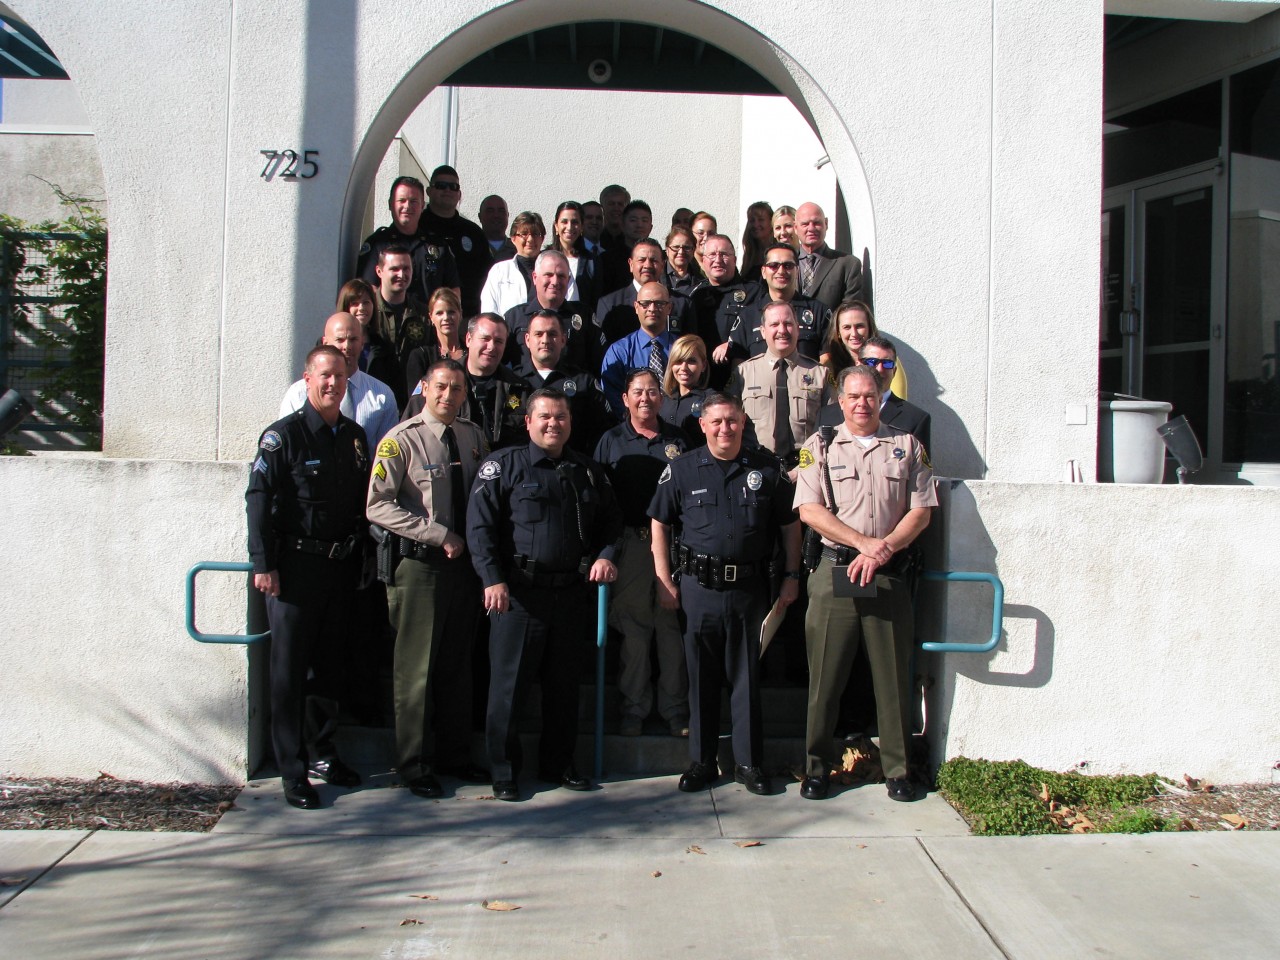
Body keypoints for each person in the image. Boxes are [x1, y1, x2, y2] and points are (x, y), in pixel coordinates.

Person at [467, 388, 623, 801]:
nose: (554, 424)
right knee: (508, 689)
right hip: (517, 596)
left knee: (564, 688)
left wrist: (606, 557)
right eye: (546, 417)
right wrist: (491, 579)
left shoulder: (587, 470)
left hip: (570, 596)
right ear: (529, 422)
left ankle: (559, 763)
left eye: (561, 417)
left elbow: (611, 524)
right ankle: (504, 771)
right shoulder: (504, 467)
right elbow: (479, 528)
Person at [794, 364, 936, 803]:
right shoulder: (816, 446)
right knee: (825, 681)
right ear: (840, 402)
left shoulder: (908, 446)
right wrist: (862, 544)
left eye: (870, 396)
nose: (862, 403)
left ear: (881, 397)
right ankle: (817, 767)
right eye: (853, 396)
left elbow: (922, 510)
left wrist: (883, 550)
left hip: (888, 574)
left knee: (893, 680)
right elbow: (809, 511)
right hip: (835, 570)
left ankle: (898, 769)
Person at [649, 392, 801, 796]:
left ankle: (749, 763)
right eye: (715, 422)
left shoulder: (766, 469)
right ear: (702, 425)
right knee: (700, 678)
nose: (724, 429)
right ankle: (701, 762)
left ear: (743, 421)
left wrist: (791, 574)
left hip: (750, 589)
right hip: (698, 588)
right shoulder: (681, 470)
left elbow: (790, 526)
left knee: (747, 678)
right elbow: (659, 524)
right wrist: (664, 580)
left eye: (731, 421)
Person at [246, 345, 370, 810]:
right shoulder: (284, 437)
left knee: (329, 669)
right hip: (293, 572)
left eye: (339, 376)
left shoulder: (354, 437)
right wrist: (263, 564)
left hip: (338, 569)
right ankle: (292, 770)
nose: (333, 384)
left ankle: (324, 755)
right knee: (289, 673)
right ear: (307, 378)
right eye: (324, 376)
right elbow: (258, 499)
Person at [366, 359, 490, 798]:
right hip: (420, 566)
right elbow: (377, 505)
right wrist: (438, 535)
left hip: (464, 569)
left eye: (457, 388)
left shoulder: (474, 436)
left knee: (458, 665)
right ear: (425, 388)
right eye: (441, 387)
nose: (448, 396)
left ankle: (455, 755)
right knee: (416, 668)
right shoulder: (402, 440)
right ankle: (413, 763)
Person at [594, 369, 689, 738]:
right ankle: (634, 709)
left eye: (652, 392)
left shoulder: (678, 440)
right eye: (638, 392)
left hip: (674, 544)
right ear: (625, 398)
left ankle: (675, 711)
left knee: (671, 630)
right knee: (634, 632)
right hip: (631, 544)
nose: (645, 398)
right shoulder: (611, 440)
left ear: (662, 398)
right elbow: (601, 497)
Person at [727, 301, 832, 470]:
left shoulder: (820, 375)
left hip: (807, 469)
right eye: (774, 324)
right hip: (756, 468)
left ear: (798, 328)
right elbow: (729, 424)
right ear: (763, 331)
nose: (782, 330)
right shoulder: (743, 374)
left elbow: (830, 428)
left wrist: (804, 469)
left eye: (788, 323)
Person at [404, 314, 533, 451]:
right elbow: (409, 431)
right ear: (468, 339)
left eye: (499, 341)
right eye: (485, 339)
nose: (491, 347)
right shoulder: (438, 382)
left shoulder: (520, 388)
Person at [280, 312, 398, 448]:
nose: (347, 346)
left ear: (362, 343)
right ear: (325, 343)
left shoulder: (382, 394)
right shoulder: (298, 392)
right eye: (340, 340)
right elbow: (287, 445)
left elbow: (387, 455)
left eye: (353, 339)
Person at [513, 310, 613, 454]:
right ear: (527, 340)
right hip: (523, 470)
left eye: (552, 334)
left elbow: (604, 431)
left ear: (563, 340)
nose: (545, 340)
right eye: (538, 334)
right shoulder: (511, 382)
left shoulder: (584, 382)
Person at [356, 175, 461, 306]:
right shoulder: (377, 244)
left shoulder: (438, 245)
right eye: (402, 200)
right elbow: (368, 289)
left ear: (422, 205)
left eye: (413, 201)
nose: (407, 206)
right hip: (390, 324)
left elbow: (453, 291)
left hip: (429, 323)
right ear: (390, 204)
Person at [818, 335, 928, 452]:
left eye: (887, 363)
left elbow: (920, 469)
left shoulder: (915, 419)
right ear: (858, 365)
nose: (880, 369)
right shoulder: (826, 416)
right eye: (872, 362)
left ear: (894, 371)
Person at [728, 242, 830, 363]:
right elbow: (738, 366)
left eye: (788, 265)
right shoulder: (748, 316)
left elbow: (827, 361)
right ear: (763, 272)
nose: (781, 271)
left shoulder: (819, 312)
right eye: (773, 265)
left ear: (797, 270)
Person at [592, 238, 695, 357]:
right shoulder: (609, 303)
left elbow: (691, 349)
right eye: (641, 260)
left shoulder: (682, 303)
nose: (647, 265)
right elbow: (604, 351)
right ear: (631, 264)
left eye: (653, 260)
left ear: (663, 265)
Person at [691, 234, 762, 389]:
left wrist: (733, 343)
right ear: (703, 261)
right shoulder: (695, 295)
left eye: (724, 254)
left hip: (741, 378)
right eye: (712, 254)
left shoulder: (755, 293)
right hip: (703, 381)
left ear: (735, 260)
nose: (718, 259)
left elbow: (761, 331)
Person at [369, 245, 435, 410]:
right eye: (394, 269)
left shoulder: (423, 314)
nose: (402, 274)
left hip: (412, 404)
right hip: (373, 400)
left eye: (406, 268)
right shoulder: (367, 311)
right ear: (379, 271)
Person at [600, 280, 679, 416]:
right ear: (636, 307)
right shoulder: (619, 351)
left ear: (669, 308)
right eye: (645, 303)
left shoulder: (681, 347)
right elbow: (612, 396)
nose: (652, 309)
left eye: (659, 303)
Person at [421, 165, 491, 316]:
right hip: (425, 314)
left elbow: (486, 277)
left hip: (466, 316)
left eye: (453, 187)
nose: (447, 190)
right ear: (429, 191)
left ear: (459, 194)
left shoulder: (473, 233)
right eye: (441, 186)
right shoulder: (418, 227)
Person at [502, 250, 591, 369]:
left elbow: (598, 362)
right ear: (535, 277)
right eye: (548, 275)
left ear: (568, 280)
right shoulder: (514, 317)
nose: (555, 282)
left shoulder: (584, 315)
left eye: (561, 276)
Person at [819, 299, 909, 399]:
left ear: (869, 328)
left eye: (859, 326)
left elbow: (898, 402)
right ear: (838, 332)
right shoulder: (829, 364)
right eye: (847, 327)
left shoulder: (887, 360)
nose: (854, 333)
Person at [794, 202, 864, 312]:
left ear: (826, 224)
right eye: (805, 224)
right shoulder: (784, 263)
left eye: (816, 223)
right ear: (795, 227)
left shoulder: (848, 264)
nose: (811, 228)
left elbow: (850, 311)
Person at [403, 288, 468, 394]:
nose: (446, 317)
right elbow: (416, 399)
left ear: (460, 314)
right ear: (431, 317)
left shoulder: (472, 352)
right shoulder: (421, 356)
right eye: (439, 313)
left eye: (451, 312)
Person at [480, 211, 545, 317]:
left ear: (542, 238)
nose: (530, 239)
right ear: (513, 238)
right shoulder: (499, 271)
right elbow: (489, 311)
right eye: (524, 234)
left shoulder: (553, 269)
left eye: (535, 234)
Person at [659, 334, 712, 446]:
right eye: (678, 361)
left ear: (703, 365)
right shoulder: (661, 400)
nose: (683, 368)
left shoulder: (712, 400)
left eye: (691, 361)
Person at [548, 200, 598, 311]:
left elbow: (596, 299)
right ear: (556, 226)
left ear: (581, 227)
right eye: (564, 222)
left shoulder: (592, 261)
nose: (569, 227)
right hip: (549, 321)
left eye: (575, 222)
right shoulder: (544, 258)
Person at [600, 199, 655, 295]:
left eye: (644, 220)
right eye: (633, 220)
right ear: (622, 225)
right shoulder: (607, 259)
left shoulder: (658, 258)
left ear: (651, 227)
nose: (639, 225)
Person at [663, 225, 702, 298]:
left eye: (686, 247)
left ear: (693, 250)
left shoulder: (701, 281)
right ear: (667, 250)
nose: (681, 252)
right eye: (676, 247)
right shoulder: (656, 276)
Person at [740, 201, 774, 279]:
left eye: (761, 220)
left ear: (771, 222)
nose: (756, 224)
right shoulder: (750, 253)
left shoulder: (779, 251)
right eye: (752, 220)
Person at [479, 194, 515, 261]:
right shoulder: (472, 247)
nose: (496, 215)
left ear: (507, 215)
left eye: (501, 211)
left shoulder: (519, 249)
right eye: (490, 211)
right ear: (480, 216)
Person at [597, 184, 630, 252]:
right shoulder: (594, 239)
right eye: (611, 204)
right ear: (602, 207)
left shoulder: (633, 241)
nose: (616, 208)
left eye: (620, 204)